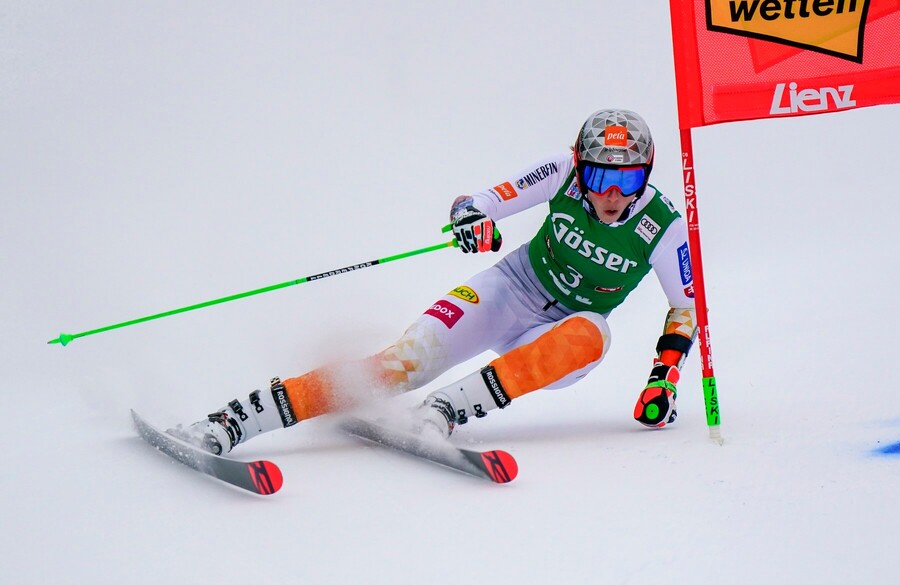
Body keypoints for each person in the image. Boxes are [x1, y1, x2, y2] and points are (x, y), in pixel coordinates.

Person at [170, 109, 697, 455]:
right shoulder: (560, 171)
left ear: (645, 175)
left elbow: (685, 308)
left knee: (593, 334)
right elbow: (481, 201)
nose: (610, 193)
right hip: (509, 289)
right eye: (599, 176)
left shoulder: (663, 225)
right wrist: (474, 219)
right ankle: (235, 421)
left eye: (626, 178)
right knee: (398, 367)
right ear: (580, 168)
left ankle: (443, 412)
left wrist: (664, 379)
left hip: (558, 336)